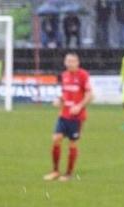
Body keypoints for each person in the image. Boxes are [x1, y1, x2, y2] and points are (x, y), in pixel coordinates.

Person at [45, 52, 92, 181]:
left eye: (72, 61)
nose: (70, 63)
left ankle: (69, 174)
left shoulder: (83, 75)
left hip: (77, 117)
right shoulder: (64, 75)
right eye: (68, 61)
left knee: (72, 144)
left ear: (78, 62)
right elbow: (65, 94)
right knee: (56, 139)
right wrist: (59, 100)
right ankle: (55, 171)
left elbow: (89, 95)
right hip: (64, 115)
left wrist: (79, 106)